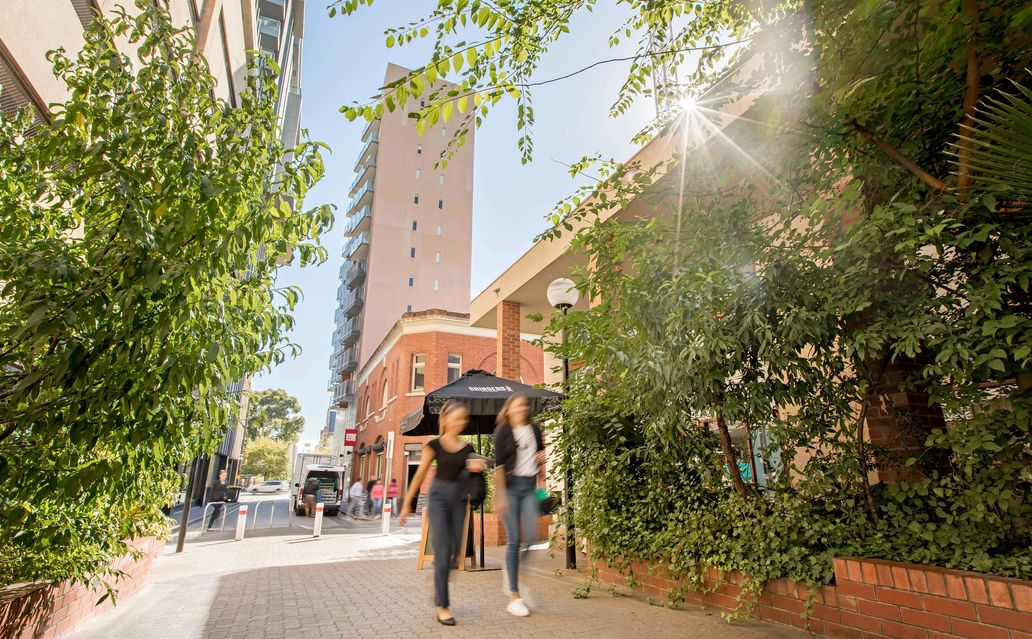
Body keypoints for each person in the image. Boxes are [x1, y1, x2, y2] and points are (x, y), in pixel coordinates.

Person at [399, 400, 486, 626]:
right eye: (456, 419)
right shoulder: (433, 445)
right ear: (445, 419)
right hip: (438, 497)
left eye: (463, 419)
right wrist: (407, 504)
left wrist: (476, 467)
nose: (460, 423)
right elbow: (420, 475)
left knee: (457, 552)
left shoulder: (468, 449)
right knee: (443, 547)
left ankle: (437, 577)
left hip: (459, 499)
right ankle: (442, 605)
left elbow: (473, 474)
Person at [493, 393, 546, 617]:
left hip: (529, 486)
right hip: (510, 487)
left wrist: (541, 462)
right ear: (508, 409)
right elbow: (498, 466)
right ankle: (514, 596)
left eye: (524, 405)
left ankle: (515, 571)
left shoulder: (534, 428)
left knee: (533, 536)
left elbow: (539, 453)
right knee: (514, 538)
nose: (521, 409)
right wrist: (501, 496)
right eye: (516, 406)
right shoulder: (503, 431)